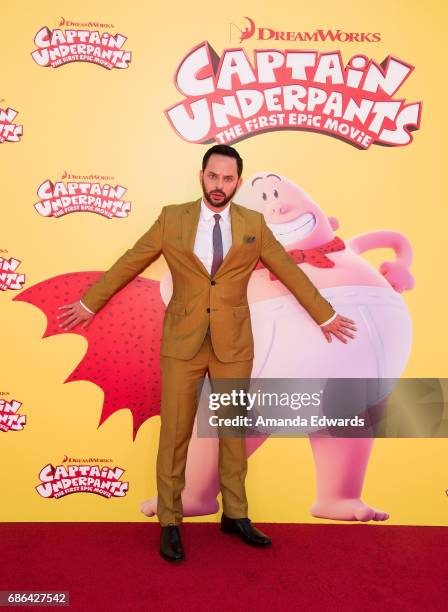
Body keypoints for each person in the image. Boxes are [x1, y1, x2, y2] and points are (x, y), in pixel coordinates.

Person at [57, 144, 356, 561]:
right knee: (176, 432)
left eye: (228, 179)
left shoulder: (253, 223)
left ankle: (235, 515)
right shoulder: (172, 218)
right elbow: (131, 261)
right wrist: (89, 303)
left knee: (233, 434)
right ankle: (170, 520)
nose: (219, 186)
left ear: (236, 181)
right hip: (182, 343)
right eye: (213, 177)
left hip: (234, 346)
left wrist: (325, 316)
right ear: (202, 176)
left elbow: (288, 271)